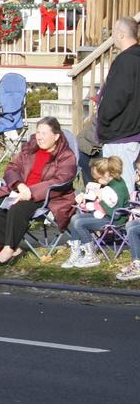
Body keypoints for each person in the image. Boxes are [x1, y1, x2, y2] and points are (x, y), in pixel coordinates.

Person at [0, 117, 77, 266]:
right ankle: (12, 247)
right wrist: (20, 185)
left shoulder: (66, 156)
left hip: (47, 196)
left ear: (56, 136)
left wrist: (31, 192)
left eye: (44, 133)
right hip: (20, 190)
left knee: (18, 209)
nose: (39, 137)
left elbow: (60, 181)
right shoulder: (30, 149)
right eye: (38, 132)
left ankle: (8, 249)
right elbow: (12, 168)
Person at [97, 17, 140, 196]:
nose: (112, 36)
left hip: (120, 133)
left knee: (121, 187)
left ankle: (123, 222)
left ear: (121, 34)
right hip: (133, 129)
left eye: (114, 32)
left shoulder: (125, 61)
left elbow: (117, 97)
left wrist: (103, 117)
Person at [62, 156, 130, 269]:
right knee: (75, 218)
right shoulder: (114, 182)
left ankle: (91, 255)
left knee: (79, 223)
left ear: (107, 174)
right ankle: (76, 252)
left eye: (98, 178)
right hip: (107, 216)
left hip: (114, 220)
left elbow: (114, 212)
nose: (97, 181)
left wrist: (101, 199)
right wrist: (86, 196)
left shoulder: (117, 188)